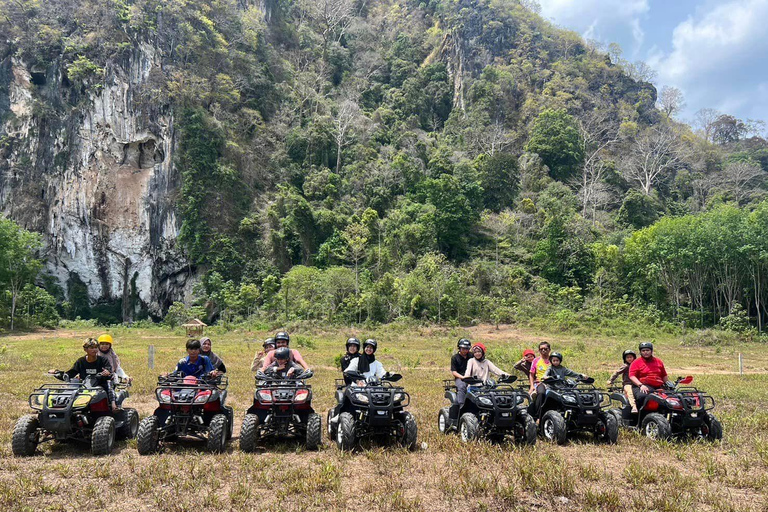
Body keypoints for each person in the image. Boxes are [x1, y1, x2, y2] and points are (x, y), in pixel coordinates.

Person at [49, 338, 118, 412]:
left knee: (109, 386)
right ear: (85, 349)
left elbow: (109, 370)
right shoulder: (81, 361)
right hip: (85, 386)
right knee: (72, 388)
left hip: (100, 385)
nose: (94, 350)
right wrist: (57, 372)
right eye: (91, 348)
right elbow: (71, 373)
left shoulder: (103, 360)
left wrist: (107, 372)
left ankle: (113, 406)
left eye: (96, 347)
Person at [629, 342, 672, 409]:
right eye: (643, 351)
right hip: (641, 386)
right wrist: (641, 385)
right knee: (642, 396)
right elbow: (632, 376)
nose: (646, 352)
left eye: (647, 350)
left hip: (658, 386)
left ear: (651, 351)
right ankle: (639, 416)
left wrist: (668, 385)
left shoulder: (658, 361)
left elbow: (664, 375)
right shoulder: (636, 362)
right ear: (640, 352)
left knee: (672, 397)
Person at [448, 338, 472, 427]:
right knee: (462, 387)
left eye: (467, 349)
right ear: (459, 348)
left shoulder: (472, 356)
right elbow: (454, 372)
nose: (465, 350)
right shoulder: (455, 358)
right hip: (460, 378)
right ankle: (461, 406)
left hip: (471, 377)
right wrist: (463, 377)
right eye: (463, 348)